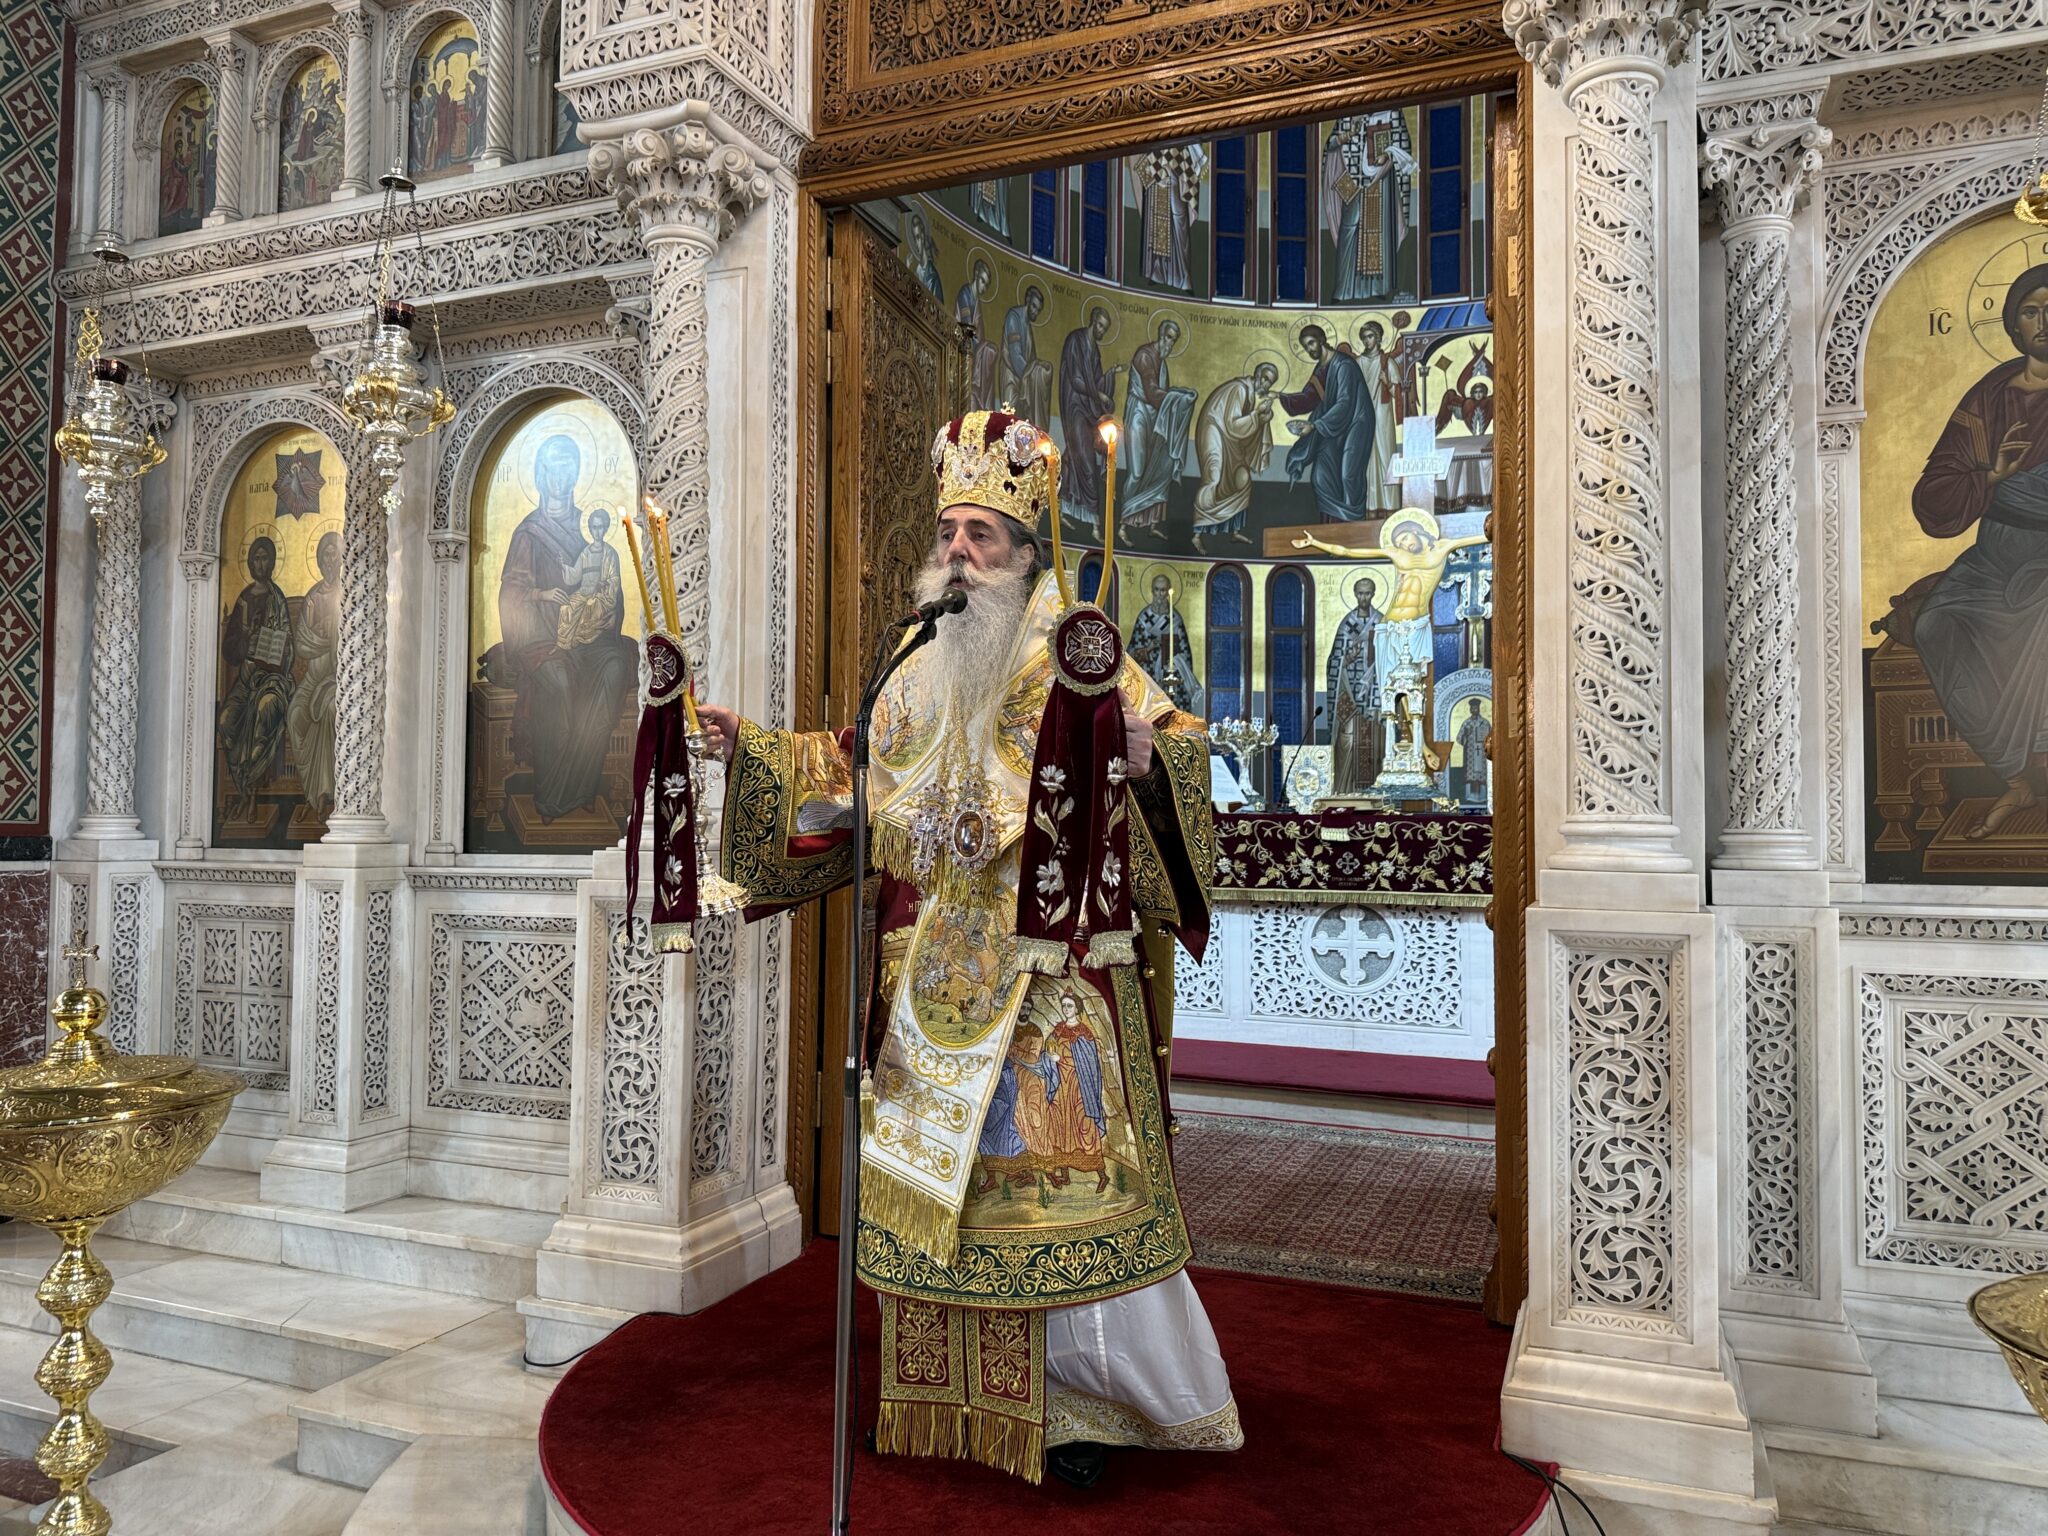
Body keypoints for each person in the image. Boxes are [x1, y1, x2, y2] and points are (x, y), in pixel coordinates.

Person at [698, 409, 1239, 1489]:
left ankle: (1084, 1406)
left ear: (1026, 553)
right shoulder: (917, 660)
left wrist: (1144, 759)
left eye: (980, 534)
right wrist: (749, 750)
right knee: (930, 1195)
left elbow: (1179, 753)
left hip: (1046, 983)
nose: (957, 551)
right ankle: (933, 1400)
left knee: (1044, 1200)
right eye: (948, 531)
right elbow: (856, 761)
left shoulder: (1078, 654)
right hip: (927, 983)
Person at [1909, 264, 2048, 838]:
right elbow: (1933, 496)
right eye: (2032, 311)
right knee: (1935, 623)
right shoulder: (1989, 398)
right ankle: (2014, 778)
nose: (2044, 321)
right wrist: (1991, 477)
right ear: (2014, 325)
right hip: (1994, 556)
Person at [479, 435, 637, 824]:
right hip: (539, 639)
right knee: (560, 682)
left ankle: (582, 787)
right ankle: (551, 797)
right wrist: (542, 595)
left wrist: (604, 614)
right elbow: (511, 593)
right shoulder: (529, 533)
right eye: (551, 468)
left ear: (576, 473)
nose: (559, 477)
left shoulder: (589, 528)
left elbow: (611, 588)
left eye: (567, 468)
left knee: (616, 666)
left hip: (587, 636)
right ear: (539, 474)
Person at [216, 537, 296, 821]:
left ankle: (250, 795)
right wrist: (245, 641)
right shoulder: (244, 600)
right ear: (250, 563)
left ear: (272, 562)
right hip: (247, 679)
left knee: (264, 711)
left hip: (273, 680)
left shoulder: (278, 599)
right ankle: (242, 789)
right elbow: (229, 648)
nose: (261, 564)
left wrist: (279, 648)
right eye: (257, 559)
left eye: (266, 558)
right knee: (226, 720)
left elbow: (289, 645)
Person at [1280, 325, 1374, 522]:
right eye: (1306, 346)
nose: (1309, 349)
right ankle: (1330, 528)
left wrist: (1315, 426)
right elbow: (1309, 398)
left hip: (1355, 424)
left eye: (1311, 343)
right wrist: (1280, 397)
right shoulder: (1321, 369)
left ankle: (1351, 526)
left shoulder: (1344, 365)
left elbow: (1345, 403)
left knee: (1348, 475)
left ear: (1321, 339)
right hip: (1332, 426)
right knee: (1320, 475)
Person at [1122, 319, 1197, 538]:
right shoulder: (1145, 356)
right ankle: (1123, 525)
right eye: (1169, 338)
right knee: (1137, 471)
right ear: (1161, 335)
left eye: (1174, 340)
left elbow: (1163, 395)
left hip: (1155, 418)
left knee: (1156, 467)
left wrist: (1177, 395)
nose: (1171, 343)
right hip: (1138, 414)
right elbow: (1152, 392)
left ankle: (1151, 524)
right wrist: (1178, 398)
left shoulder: (1163, 365)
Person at [1191, 363, 1278, 550]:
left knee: (1243, 479)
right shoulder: (1239, 389)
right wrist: (1257, 414)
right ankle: (1197, 534)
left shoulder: (1249, 395)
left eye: (1270, 382)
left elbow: (1241, 429)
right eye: (1265, 378)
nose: (1266, 384)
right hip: (1214, 433)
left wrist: (1262, 419)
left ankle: (1235, 531)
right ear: (1257, 374)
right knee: (1213, 478)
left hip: (1230, 440)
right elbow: (1233, 426)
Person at [286, 530, 341, 818]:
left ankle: (329, 796)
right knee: (295, 714)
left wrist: (326, 630)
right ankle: (311, 792)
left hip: (339, 679)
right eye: (325, 555)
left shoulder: (350, 593)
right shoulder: (312, 597)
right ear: (319, 560)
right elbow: (302, 644)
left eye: (335, 554)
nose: (330, 560)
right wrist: (326, 634)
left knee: (331, 711)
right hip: (312, 680)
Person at [1058, 306, 1123, 533]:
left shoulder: (1095, 350)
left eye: (1105, 329)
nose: (1102, 332)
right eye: (1101, 326)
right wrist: (1100, 395)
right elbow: (1076, 381)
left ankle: (1072, 512)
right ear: (1093, 321)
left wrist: (1111, 373)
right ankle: (1085, 518)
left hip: (1088, 410)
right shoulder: (1075, 340)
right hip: (1074, 407)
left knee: (1079, 458)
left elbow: (1096, 382)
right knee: (1084, 461)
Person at [1326, 576, 1380, 797]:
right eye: (1360, 593)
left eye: (1367, 593)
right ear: (1355, 594)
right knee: (1347, 739)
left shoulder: (1381, 622)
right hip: (1348, 691)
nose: (1363, 598)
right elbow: (1334, 661)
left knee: (1373, 739)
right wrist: (1346, 660)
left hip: (1373, 693)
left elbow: (1389, 657)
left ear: (1373, 594)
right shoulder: (1347, 624)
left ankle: (1372, 791)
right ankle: (1344, 789)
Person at [1128, 573, 1201, 714]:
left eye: (1163, 590)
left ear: (1168, 592)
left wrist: (1174, 659)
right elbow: (1131, 655)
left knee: (1178, 696)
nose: (1160, 594)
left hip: (1170, 673)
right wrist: (1149, 648)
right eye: (1157, 590)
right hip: (1148, 674)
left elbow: (1185, 653)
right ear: (1152, 591)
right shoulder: (1144, 619)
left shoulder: (1175, 619)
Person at [1002, 286, 1053, 429]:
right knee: (1009, 423)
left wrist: (1038, 367)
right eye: (1034, 306)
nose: (1036, 312)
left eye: (1038, 310)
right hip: (1012, 378)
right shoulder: (1014, 317)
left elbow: (1031, 359)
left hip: (1023, 380)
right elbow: (1015, 355)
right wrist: (1032, 373)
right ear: (1027, 301)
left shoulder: (1028, 327)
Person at [1457, 697, 1492, 806]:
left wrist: (1488, 743)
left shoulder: (1485, 723)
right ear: (1470, 709)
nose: (1474, 709)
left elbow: (1492, 739)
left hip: (1482, 755)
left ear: (1479, 708)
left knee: (1482, 774)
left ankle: (1483, 797)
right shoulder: (1466, 723)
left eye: (1476, 707)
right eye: (1472, 708)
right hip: (1470, 756)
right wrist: (1467, 735)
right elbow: (1459, 739)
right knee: (1471, 774)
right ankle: (1470, 797)